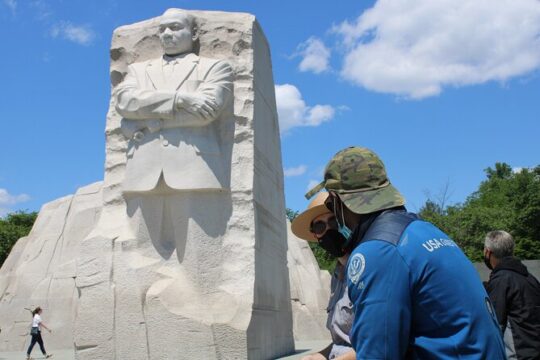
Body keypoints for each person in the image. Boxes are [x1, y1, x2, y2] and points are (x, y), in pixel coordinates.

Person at [305, 146, 506, 359]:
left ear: (337, 200)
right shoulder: (423, 230)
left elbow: (377, 354)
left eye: (330, 204)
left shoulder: (377, 251)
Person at [114, 8, 233, 267]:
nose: (167, 34)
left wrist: (148, 120)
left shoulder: (215, 67)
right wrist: (180, 99)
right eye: (163, 29)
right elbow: (124, 102)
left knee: (199, 261)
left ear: (194, 32)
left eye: (175, 27)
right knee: (137, 258)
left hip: (195, 168)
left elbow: (207, 112)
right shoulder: (138, 70)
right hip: (143, 171)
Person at [291, 192, 355, 360]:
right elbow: (342, 342)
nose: (327, 230)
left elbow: (379, 344)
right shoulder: (337, 276)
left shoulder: (367, 266)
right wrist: (317, 355)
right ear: (315, 235)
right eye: (319, 226)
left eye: (333, 221)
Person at [484, 230, 540, 360]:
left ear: (488, 252)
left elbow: (494, 324)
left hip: (517, 355)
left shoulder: (501, 280)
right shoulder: (530, 278)